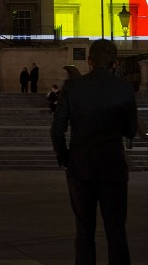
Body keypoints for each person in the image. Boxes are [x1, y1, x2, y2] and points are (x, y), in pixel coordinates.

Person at [50, 39, 137, 265]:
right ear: (115, 63)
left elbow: (57, 130)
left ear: (89, 62)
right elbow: (130, 130)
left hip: (80, 166)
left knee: (84, 232)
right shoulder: (125, 89)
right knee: (116, 231)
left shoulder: (72, 87)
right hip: (113, 167)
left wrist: (66, 158)